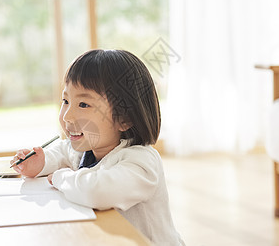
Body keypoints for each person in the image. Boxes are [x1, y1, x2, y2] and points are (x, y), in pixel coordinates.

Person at [11, 49, 184, 245]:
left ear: (124, 119)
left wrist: (61, 177)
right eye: (66, 101)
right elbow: (62, 151)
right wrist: (41, 163)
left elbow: (98, 191)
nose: (67, 115)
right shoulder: (85, 150)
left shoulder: (142, 162)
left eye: (83, 104)